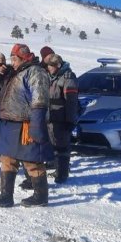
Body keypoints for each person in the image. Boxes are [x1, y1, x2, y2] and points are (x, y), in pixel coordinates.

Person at [0, 43, 54, 207]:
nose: (12, 62)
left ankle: (41, 196)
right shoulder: (17, 72)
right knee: (7, 159)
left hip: (27, 124)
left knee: (32, 162)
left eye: (14, 58)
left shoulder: (36, 72)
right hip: (11, 125)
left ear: (23, 57)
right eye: (11, 58)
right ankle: (6, 196)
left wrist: (37, 123)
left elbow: (40, 99)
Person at [44, 53, 80, 183]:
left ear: (58, 66)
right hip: (51, 116)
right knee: (53, 144)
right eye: (48, 66)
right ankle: (56, 167)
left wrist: (70, 120)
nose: (49, 68)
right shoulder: (51, 77)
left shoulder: (68, 78)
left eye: (52, 66)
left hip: (62, 118)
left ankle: (63, 173)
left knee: (62, 146)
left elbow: (71, 102)